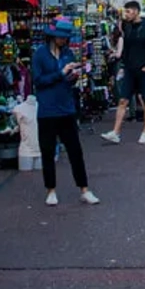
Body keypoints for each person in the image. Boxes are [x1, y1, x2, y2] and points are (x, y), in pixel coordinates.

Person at [30, 18, 100, 206]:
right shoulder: (40, 54)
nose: (63, 40)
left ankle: (84, 189)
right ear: (52, 36)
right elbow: (38, 81)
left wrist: (73, 76)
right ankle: (50, 190)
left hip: (66, 108)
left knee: (75, 151)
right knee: (47, 151)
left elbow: (67, 80)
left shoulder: (68, 53)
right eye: (61, 37)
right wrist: (61, 73)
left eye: (65, 37)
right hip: (47, 110)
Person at [100, 1, 145, 145]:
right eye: (125, 12)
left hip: (143, 70)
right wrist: (123, 65)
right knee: (122, 100)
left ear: (136, 11)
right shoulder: (127, 26)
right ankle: (116, 132)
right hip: (130, 69)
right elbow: (126, 46)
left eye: (129, 12)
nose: (126, 14)